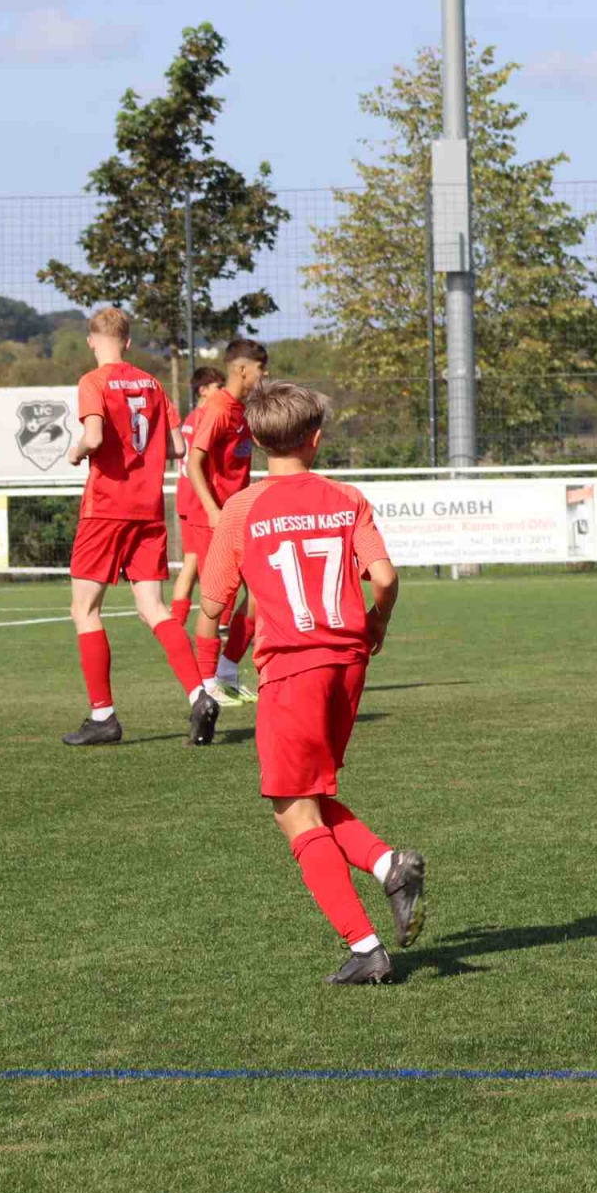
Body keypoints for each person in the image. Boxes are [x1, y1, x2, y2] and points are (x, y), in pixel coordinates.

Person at [198, 382, 426, 985]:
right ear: (316, 438)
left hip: (292, 667)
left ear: (254, 441)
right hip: (348, 664)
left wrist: (211, 658)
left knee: (291, 809)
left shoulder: (242, 508)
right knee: (310, 793)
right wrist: (377, 622)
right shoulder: (346, 497)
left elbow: (213, 604)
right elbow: (384, 576)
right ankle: (388, 866)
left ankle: (365, 946)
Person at [61, 307, 217, 748]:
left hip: (106, 508)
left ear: (91, 341)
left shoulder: (92, 381)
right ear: (128, 342)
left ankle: (103, 716)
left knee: (85, 610)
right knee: (154, 608)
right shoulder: (152, 384)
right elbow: (178, 446)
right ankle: (199, 694)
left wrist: (76, 452)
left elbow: (94, 437)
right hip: (147, 511)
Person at [186, 341, 269, 705]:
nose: (265, 374)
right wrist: (212, 509)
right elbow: (194, 461)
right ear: (242, 369)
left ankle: (227, 673)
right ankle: (207, 686)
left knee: (259, 595)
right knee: (214, 602)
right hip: (215, 520)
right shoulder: (219, 407)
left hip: (238, 516)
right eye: (261, 368)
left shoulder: (241, 409)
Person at [169, 364, 226, 630]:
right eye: (218, 387)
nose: (223, 391)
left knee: (191, 562)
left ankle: (177, 626)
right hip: (198, 501)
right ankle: (218, 624)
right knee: (214, 567)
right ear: (203, 390)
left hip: (186, 498)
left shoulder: (191, 418)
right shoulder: (207, 418)